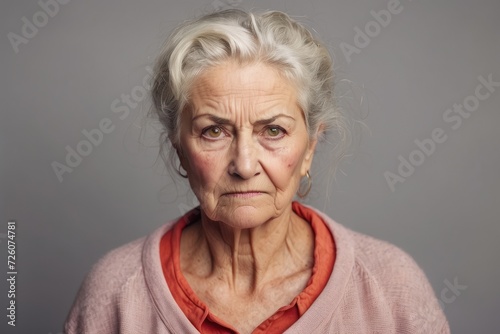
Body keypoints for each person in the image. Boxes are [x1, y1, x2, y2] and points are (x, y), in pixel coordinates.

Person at [64, 9, 450, 334]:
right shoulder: (115, 291)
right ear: (178, 148)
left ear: (311, 147)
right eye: (213, 131)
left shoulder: (390, 286)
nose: (245, 166)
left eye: (273, 131)